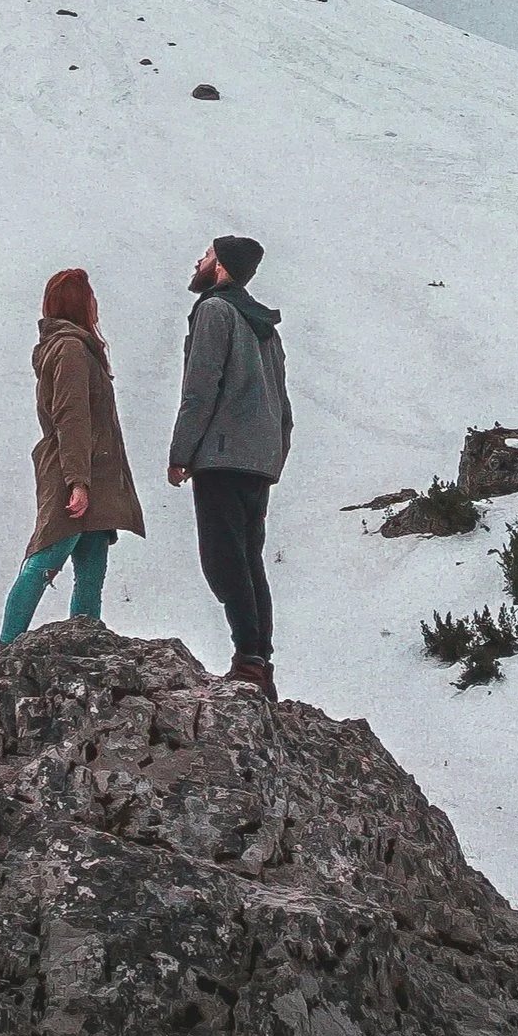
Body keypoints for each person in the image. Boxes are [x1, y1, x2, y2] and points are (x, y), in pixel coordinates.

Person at [166, 234, 292, 695]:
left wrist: (182, 454)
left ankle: (249, 660)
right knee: (249, 559)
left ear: (220, 267)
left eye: (206, 254)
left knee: (223, 561)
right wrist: (275, 452)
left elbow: (200, 389)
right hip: (258, 459)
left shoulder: (214, 311)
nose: (198, 260)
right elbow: (282, 401)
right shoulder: (264, 325)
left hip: (221, 454)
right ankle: (260, 660)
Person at [0, 266, 146, 644]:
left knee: (92, 567)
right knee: (46, 559)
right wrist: (76, 481)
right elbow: (71, 415)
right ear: (82, 305)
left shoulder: (76, 348)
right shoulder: (71, 348)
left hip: (94, 471)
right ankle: (5, 649)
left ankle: (85, 644)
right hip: (77, 469)